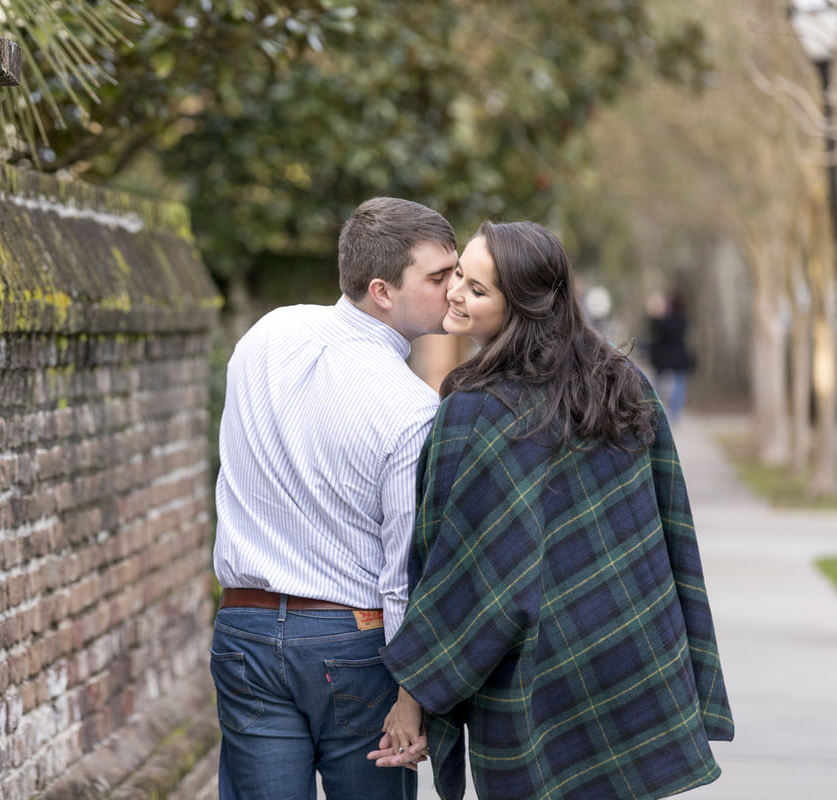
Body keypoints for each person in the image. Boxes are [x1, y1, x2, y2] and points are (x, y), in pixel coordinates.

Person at [375, 221, 734, 799]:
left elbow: (460, 576)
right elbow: (674, 538)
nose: (456, 294)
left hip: (532, 682)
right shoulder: (624, 383)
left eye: (478, 289)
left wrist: (411, 697)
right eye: (459, 275)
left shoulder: (475, 411)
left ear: (525, 308)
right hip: (629, 657)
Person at [210, 197, 457, 800]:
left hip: (245, 626)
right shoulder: (412, 409)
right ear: (382, 290)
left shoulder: (265, 335)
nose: (455, 290)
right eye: (438, 277)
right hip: (353, 642)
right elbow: (402, 569)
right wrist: (411, 694)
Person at [647, 290, 694, 423]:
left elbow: (655, 331)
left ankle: (655, 412)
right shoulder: (684, 321)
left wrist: (654, 313)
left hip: (663, 358)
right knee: (679, 385)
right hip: (679, 357)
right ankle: (675, 416)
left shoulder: (664, 321)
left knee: (657, 385)